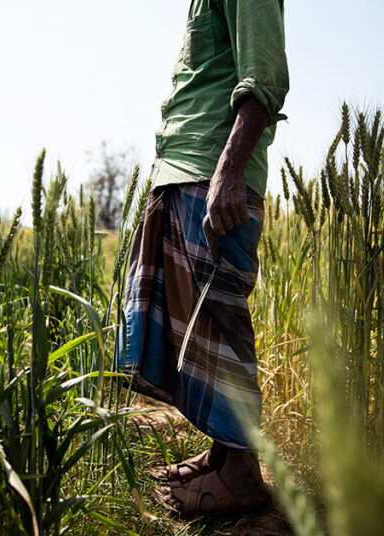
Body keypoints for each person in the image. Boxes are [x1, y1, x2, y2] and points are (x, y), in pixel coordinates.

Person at [118, 0, 289, 517]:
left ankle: (242, 477)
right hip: (185, 170)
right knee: (201, 326)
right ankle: (223, 455)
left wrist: (229, 170)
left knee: (219, 320)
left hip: (209, 171)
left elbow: (265, 75)